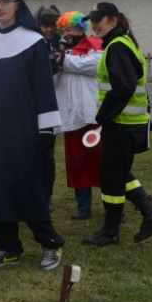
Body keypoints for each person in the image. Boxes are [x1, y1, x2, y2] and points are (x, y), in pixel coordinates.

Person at [0, 0, 65, 271]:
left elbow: (43, 88)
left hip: (25, 129)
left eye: (5, 2)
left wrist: (45, 129)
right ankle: (9, 248)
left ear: (17, 6)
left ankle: (50, 244)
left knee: (28, 188)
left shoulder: (33, 42)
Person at [82, 2, 152, 246]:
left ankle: (111, 231)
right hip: (130, 123)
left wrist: (102, 117)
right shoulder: (125, 43)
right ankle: (151, 214)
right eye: (92, 20)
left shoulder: (118, 46)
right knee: (119, 172)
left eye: (98, 20)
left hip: (121, 124)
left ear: (113, 19)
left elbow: (124, 87)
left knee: (111, 176)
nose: (94, 25)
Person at [53, 11, 103, 220]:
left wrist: (62, 62)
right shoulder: (62, 51)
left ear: (80, 28)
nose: (67, 34)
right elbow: (55, 82)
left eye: (70, 29)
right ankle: (83, 207)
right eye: (63, 30)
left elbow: (94, 66)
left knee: (101, 161)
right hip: (71, 117)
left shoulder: (95, 46)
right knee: (77, 163)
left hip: (93, 115)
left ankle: (112, 203)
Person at [36, 5, 62, 212]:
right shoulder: (33, 44)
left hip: (52, 106)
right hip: (32, 104)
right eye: (45, 26)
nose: (48, 30)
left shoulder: (62, 45)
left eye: (52, 26)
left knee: (47, 154)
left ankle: (47, 196)